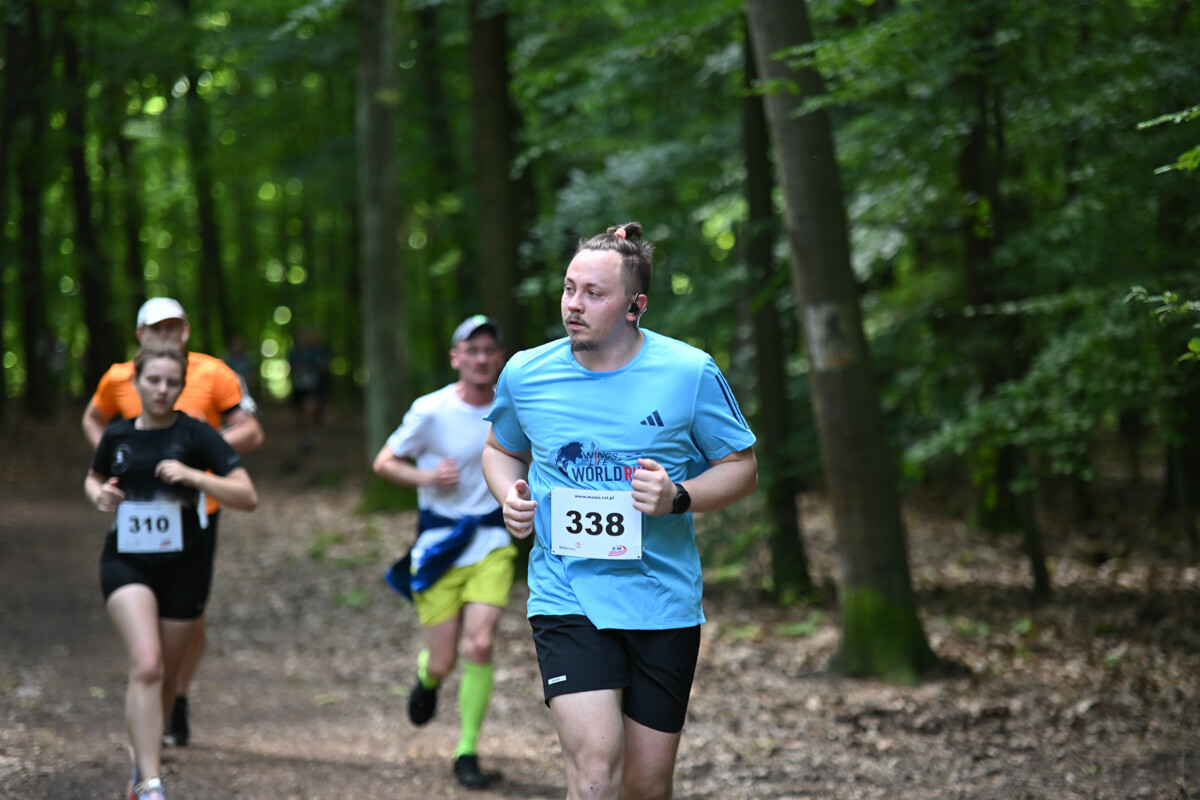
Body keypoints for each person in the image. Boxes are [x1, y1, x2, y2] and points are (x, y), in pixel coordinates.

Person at [481, 222, 758, 800]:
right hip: (567, 594)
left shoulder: (689, 372)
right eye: (568, 289)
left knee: (647, 785)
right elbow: (501, 450)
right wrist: (509, 495)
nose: (573, 306)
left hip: (661, 601)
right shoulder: (527, 374)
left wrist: (679, 496)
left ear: (637, 306)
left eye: (593, 294)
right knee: (595, 771)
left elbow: (741, 468)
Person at [82, 297, 265, 748]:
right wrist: (114, 465)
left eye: (174, 327)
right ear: (140, 335)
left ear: (185, 332)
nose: (166, 335)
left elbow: (252, 430)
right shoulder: (119, 377)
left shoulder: (214, 372)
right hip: (136, 515)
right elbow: (96, 424)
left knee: (188, 623)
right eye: (156, 328)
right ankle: (150, 737)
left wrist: (198, 451)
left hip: (199, 511)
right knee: (148, 648)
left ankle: (176, 697)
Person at [372, 315, 513, 790]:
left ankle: (467, 750)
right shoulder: (430, 410)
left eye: (489, 350)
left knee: (480, 643)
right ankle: (428, 679)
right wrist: (427, 478)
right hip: (438, 547)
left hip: (492, 541)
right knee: (444, 659)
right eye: (470, 350)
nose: (480, 358)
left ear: (499, 358)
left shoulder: (513, 409)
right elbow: (385, 461)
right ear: (455, 358)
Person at [287, 327, 331, 467]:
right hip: (299, 388)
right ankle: (303, 436)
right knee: (300, 413)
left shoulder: (317, 352)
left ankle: (309, 435)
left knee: (310, 409)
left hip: (313, 388)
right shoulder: (294, 353)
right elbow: (290, 371)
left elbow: (324, 368)